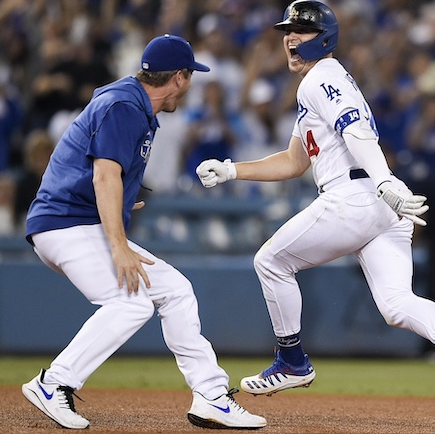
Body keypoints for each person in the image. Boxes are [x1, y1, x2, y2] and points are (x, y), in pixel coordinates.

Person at [196, 0, 435, 402]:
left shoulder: (320, 79)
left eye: (301, 31)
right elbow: (294, 162)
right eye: (287, 32)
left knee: (271, 261)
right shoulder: (321, 81)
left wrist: (383, 180)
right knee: (397, 304)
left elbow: (355, 130)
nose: (291, 39)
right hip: (379, 203)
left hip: (357, 196)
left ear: (325, 38)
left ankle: (292, 361)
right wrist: (232, 169)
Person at [21, 34, 266, 430]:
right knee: (131, 303)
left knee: (176, 291)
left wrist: (113, 205)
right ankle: (54, 382)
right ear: (180, 78)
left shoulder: (129, 100)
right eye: (189, 79)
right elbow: (104, 174)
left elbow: (92, 171)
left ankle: (211, 396)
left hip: (78, 220)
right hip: (65, 225)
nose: (187, 90)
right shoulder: (124, 105)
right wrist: (118, 245)